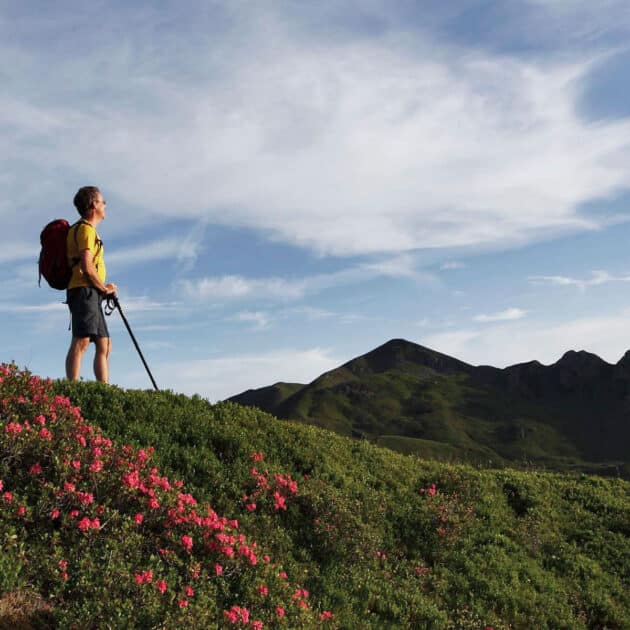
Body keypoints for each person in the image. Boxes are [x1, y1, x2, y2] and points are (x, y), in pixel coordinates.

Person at [65, 186, 117, 383]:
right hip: (83, 290)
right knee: (82, 340)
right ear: (94, 204)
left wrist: (103, 289)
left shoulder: (84, 230)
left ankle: (103, 390)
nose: (105, 206)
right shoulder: (85, 230)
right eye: (103, 202)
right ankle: (73, 387)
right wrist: (103, 288)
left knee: (104, 343)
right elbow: (86, 267)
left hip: (90, 292)